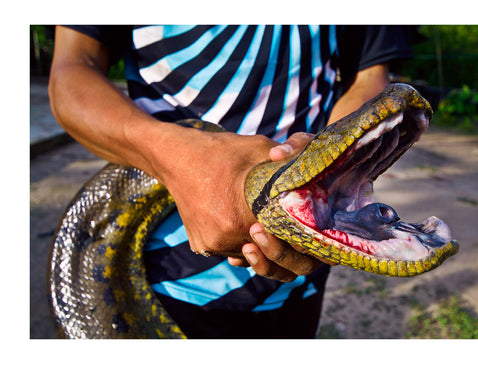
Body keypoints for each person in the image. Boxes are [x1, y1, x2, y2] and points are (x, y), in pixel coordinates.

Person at [48, 25, 413, 338]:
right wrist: (176, 157)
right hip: (160, 277)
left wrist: (328, 173)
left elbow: (368, 77)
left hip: (300, 281)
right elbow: (72, 70)